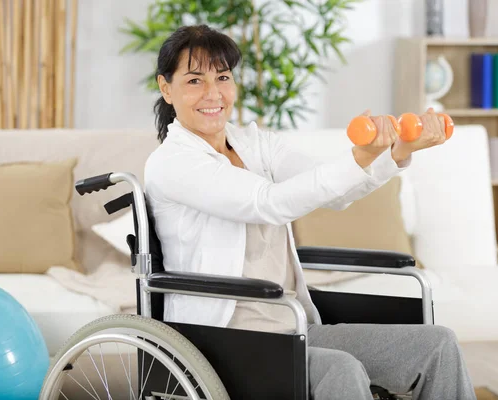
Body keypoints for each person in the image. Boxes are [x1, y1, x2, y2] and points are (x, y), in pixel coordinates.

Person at [143, 24, 477, 400]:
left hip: (293, 326)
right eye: (194, 80)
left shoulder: (254, 142)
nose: (213, 93)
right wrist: (359, 157)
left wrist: (395, 152)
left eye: (222, 77)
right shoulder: (171, 164)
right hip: (224, 339)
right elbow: (268, 203)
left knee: (438, 345)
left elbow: (335, 194)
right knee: (340, 368)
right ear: (165, 87)